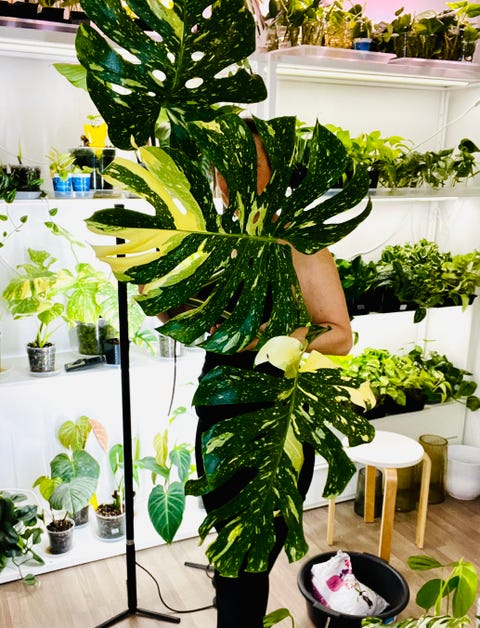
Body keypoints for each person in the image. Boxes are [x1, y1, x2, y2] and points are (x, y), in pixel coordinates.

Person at [158, 118, 352, 627]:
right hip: (221, 412)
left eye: (249, 161)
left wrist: (269, 335)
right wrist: (164, 297)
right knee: (230, 547)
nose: (232, 175)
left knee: (253, 556)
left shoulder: (300, 243)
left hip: (276, 419)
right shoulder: (211, 239)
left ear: (275, 167)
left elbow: (340, 336)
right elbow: (187, 316)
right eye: (224, 164)